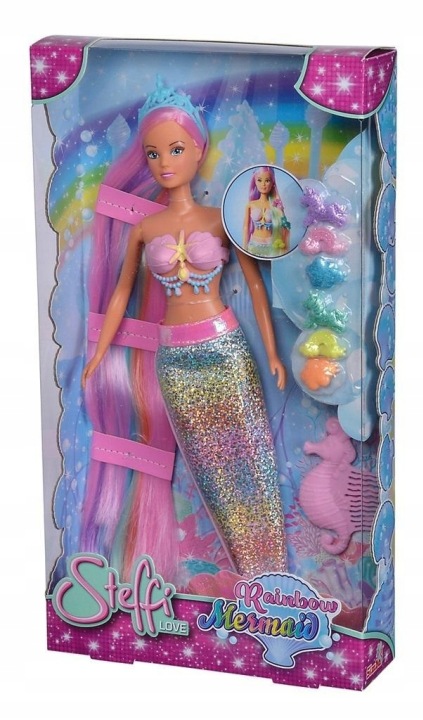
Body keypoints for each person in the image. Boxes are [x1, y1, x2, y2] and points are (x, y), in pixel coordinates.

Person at [81, 77, 287, 584]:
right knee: (212, 472)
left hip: (224, 348)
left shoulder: (221, 220)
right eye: (153, 153)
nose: (164, 163)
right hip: (174, 360)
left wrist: (273, 354)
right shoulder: (144, 229)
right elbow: (120, 295)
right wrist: (99, 353)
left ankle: (277, 577)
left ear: (198, 150)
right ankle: (250, 583)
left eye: (175, 149)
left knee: (253, 464)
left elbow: (255, 285)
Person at [243, 166, 290, 257]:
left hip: (271, 245)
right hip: (254, 244)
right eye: (259, 180)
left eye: (267, 180)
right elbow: (246, 227)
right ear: (255, 182)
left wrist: (285, 248)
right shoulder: (250, 205)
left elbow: (285, 226)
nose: (263, 184)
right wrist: (244, 247)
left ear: (272, 183)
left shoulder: (275, 205)